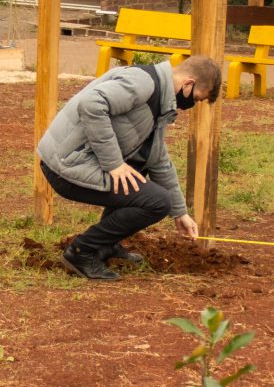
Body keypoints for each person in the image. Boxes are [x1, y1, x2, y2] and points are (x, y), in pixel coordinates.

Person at [37, 55, 223, 280]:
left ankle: (106, 245)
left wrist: (180, 212)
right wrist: (114, 164)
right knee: (157, 202)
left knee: (138, 167)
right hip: (65, 163)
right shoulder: (143, 83)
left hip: (73, 159)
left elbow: (157, 158)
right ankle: (82, 251)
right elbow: (92, 104)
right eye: (197, 98)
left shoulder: (160, 100)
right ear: (188, 84)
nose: (192, 104)